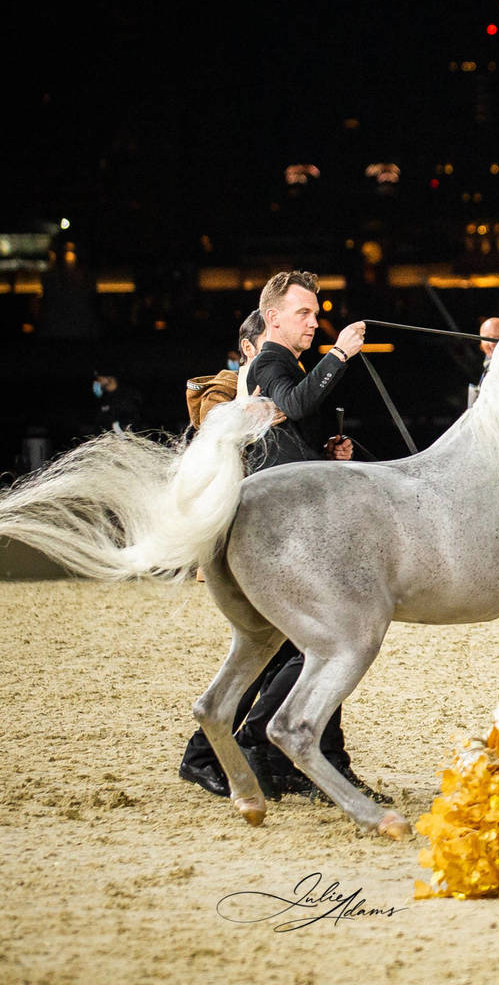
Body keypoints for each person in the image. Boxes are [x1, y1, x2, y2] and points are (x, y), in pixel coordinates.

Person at [230, 270, 379, 802]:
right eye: (304, 313)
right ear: (272, 318)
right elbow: (294, 404)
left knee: (313, 645)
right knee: (327, 643)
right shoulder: (269, 361)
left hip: (294, 522)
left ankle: (309, 759)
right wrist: (339, 354)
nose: (314, 323)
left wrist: (328, 453)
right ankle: (257, 742)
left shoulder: (283, 364)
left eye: (316, 314)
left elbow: (292, 425)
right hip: (286, 529)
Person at [177, 311, 279, 797]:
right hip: (237, 544)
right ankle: (213, 752)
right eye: (268, 343)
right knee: (266, 652)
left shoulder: (277, 384)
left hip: (270, 541)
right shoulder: (221, 389)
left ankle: (236, 750)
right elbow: (211, 427)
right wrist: (250, 411)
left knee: (272, 653)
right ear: (249, 347)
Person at [467, 316, 499, 409]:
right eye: (486, 338)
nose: (491, 343)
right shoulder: (487, 369)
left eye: (497, 338)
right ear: (481, 344)